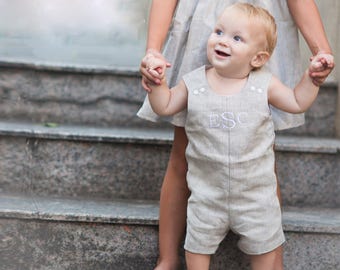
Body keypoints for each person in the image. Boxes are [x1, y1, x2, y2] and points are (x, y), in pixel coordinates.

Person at [138, 1, 334, 269]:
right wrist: (156, 67)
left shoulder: (264, 83)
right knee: (182, 154)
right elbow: (165, 105)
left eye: (231, 38)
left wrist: (318, 58)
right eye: (218, 34)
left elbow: (298, 101)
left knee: (261, 154)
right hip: (204, 14)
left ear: (260, 59)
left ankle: (272, 261)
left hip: (261, 22)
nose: (222, 41)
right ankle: (168, 258)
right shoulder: (194, 80)